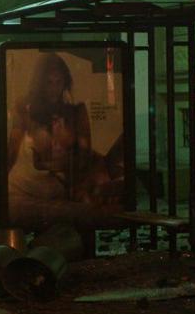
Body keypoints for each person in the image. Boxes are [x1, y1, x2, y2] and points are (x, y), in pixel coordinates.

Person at [7, 52, 120, 230]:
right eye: (48, 83)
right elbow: (12, 150)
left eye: (58, 82)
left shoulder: (76, 112)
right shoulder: (25, 109)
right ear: (40, 84)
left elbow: (82, 158)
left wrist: (52, 165)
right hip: (24, 190)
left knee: (85, 214)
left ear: (65, 83)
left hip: (59, 190)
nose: (53, 89)